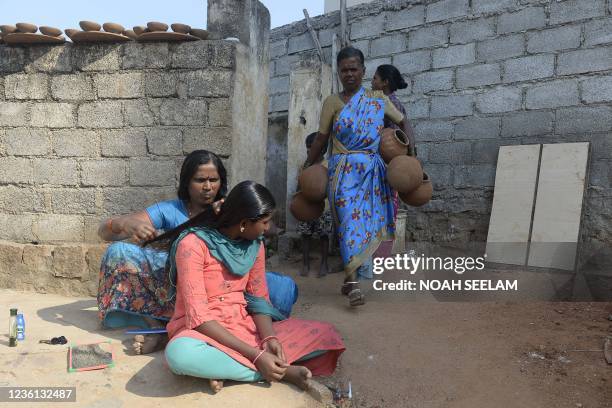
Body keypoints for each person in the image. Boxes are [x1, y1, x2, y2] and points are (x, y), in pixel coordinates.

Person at [149, 181, 344, 394]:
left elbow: (259, 300)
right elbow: (198, 317)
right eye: (265, 222)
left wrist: (269, 339)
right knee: (180, 355)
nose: (268, 228)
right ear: (243, 224)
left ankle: (226, 370)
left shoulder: (255, 245)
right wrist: (257, 356)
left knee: (326, 335)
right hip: (202, 332)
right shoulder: (193, 244)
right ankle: (282, 372)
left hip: (244, 328)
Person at [304, 47, 416, 307]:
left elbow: (403, 121)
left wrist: (412, 152)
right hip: (342, 172)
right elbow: (321, 138)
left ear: (364, 71)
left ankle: (350, 278)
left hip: (372, 173)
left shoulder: (377, 98)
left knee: (364, 226)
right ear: (339, 72)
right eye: (344, 69)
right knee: (347, 224)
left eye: (354, 69)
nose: (349, 74)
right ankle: (353, 283)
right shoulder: (332, 102)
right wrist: (308, 165)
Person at [97, 150, 227, 354]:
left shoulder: (228, 209)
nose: (208, 187)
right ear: (186, 182)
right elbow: (104, 232)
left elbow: (265, 225)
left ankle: (169, 332)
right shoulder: (171, 209)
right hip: (176, 287)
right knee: (118, 251)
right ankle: (155, 326)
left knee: (280, 291)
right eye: (200, 180)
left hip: (216, 288)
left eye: (214, 180)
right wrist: (127, 224)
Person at [298, 132, 332, 278]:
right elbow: (299, 185)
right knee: (305, 235)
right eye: (307, 148)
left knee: (324, 235)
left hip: (324, 208)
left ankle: (324, 264)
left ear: (323, 150)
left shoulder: (329, 166)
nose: (308, 151)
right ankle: (305, 264)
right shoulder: (305, 166)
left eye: (311, 148)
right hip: (307, 206)